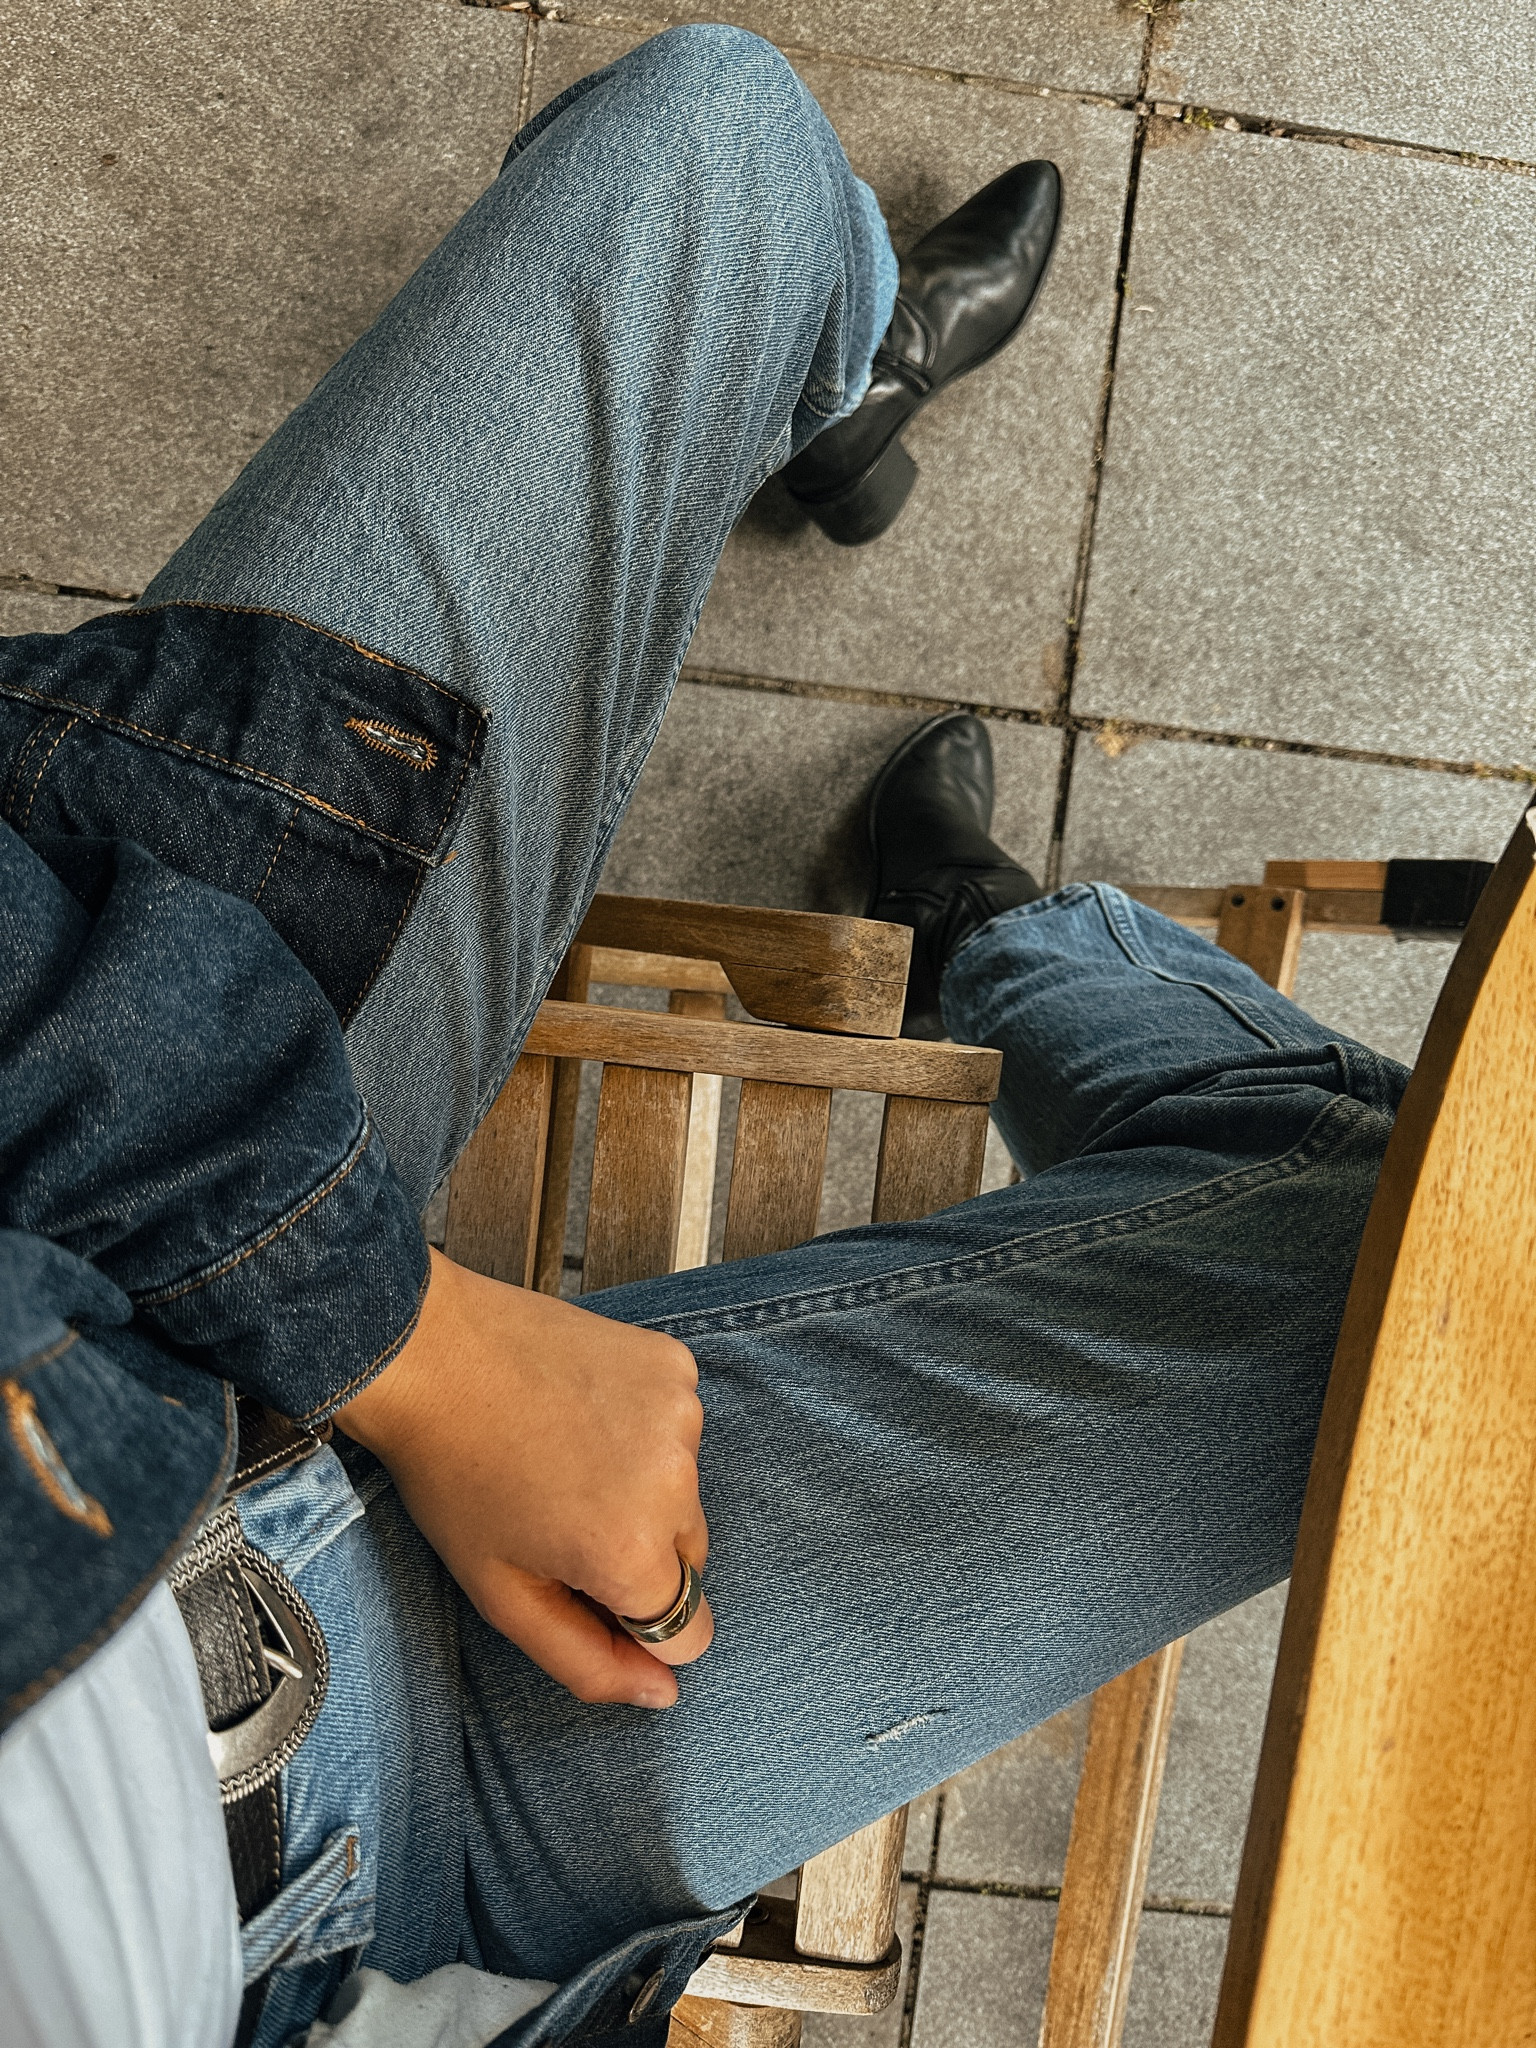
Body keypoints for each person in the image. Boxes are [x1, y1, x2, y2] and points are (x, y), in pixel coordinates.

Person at [0, 27, 1407, 2048]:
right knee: (1404, 1269)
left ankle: (837, 386)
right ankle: (983, 935)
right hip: (391, 1907)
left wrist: (400, 1336)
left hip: (133, 1267)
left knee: (714, 162)